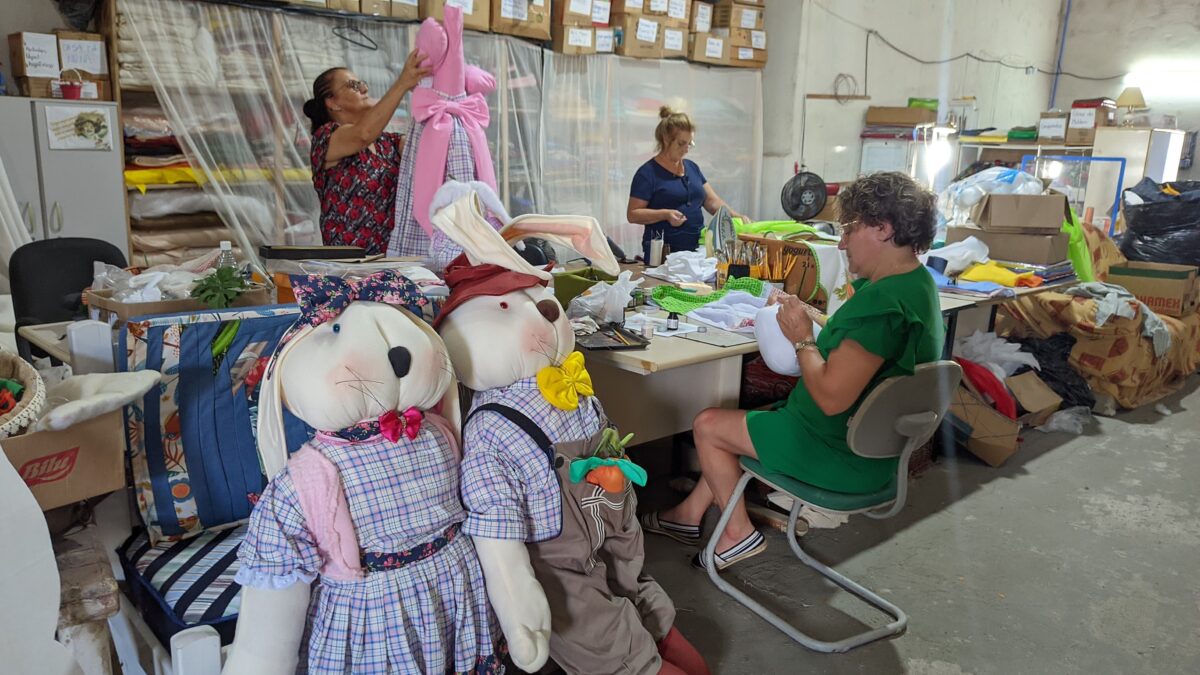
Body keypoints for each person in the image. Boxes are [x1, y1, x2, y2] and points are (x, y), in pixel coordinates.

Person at [640, 172, 944, 570]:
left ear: (883, 229)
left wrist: (802, 338)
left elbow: (832, 398)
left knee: (709, 424)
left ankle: (737, 535)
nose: (841, 242)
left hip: (839, 454)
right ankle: (687, 516)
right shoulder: (917, 286)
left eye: (849, 229)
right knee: (753, 419)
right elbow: (860, 349)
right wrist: (814, 318)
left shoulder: (882, 304)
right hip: (876, 451)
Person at [303, 52, 432, 255]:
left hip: (391, 261)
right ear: (332, 102)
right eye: (353, 85)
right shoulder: (326, 138)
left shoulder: (387, 142)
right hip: (347, 267)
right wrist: (402, 84)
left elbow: (423, 147)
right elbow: (362, 134)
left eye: (362, 83)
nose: (364, 88)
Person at [627, 107, 747, 264]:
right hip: (664, 254)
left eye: (690, 144)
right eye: (681, 144)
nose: (686, 150)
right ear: (665, 139)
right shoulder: (647, 173)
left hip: (697, 250)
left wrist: (735, 216)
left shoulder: (692, 168)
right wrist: (665, 214)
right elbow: (633, 214)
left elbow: (712, 202)